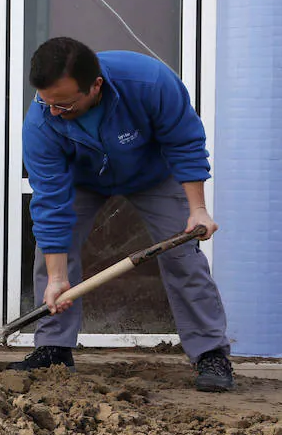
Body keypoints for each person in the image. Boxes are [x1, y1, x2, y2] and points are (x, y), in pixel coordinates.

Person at [18, 36, 233, 392]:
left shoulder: (149, 82)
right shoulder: (41, 121)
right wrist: (58, 279)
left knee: (182, 255)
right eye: (46, 101)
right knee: (52, 253)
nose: (53, 111)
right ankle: (53, 349)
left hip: (152, 173)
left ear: (95, 86)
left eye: (65, 105)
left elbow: (184, 143)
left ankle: (211, 352)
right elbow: (50, 203)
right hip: (82, 180)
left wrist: (198, 209)